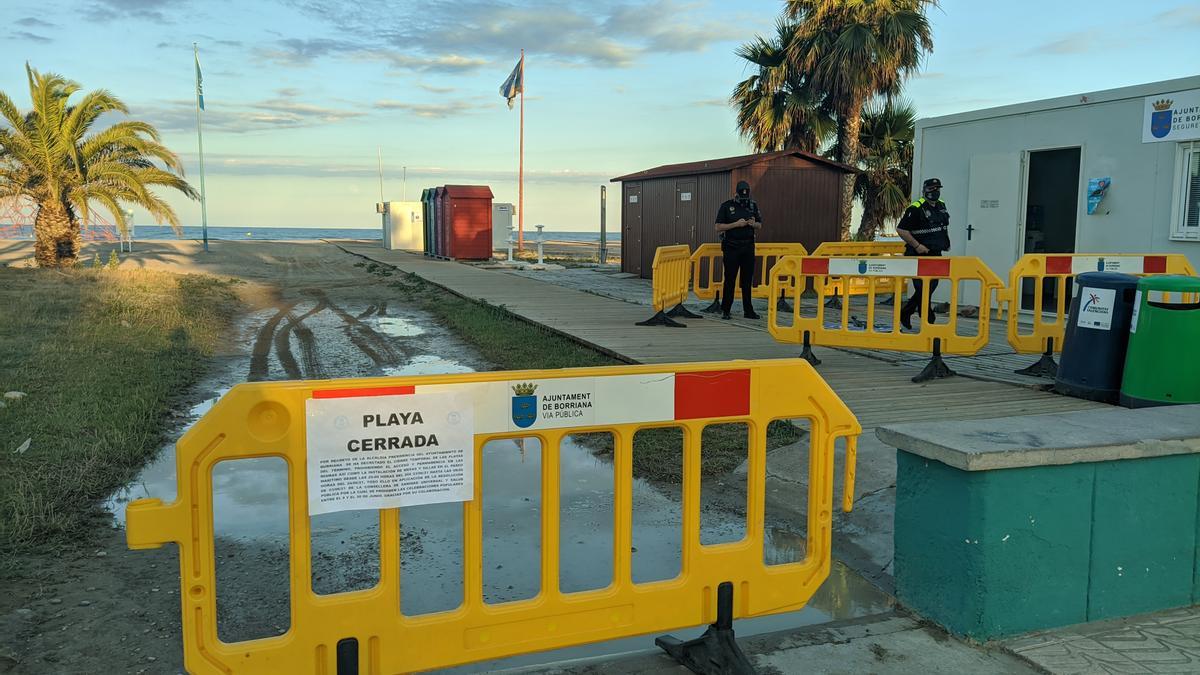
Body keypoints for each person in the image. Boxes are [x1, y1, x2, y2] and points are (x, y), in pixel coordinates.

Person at [897, 178, 951, 330]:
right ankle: (928, 318)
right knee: (923, 288)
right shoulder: (915, 208)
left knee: (930, 286)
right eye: (932, 189)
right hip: (918, 254)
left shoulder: (941, 205)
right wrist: (917, 245)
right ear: (925, 190)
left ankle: (906, 312)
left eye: (937, 189)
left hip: (936, 253)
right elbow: (901, 230)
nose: (935, 192)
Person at [714, 180, 762, 320]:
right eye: (742, 196)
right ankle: (726, 310)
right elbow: (718, 227)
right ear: (736, 194)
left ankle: (749, 311)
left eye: (746, 197)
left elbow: (760, 224)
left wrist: (754, 224)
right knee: (730, 279)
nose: (744, 199)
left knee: (747, 280)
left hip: (748, 247)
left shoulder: (753, 205)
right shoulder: (727, 206)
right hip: (731, 247)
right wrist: (736, 224)